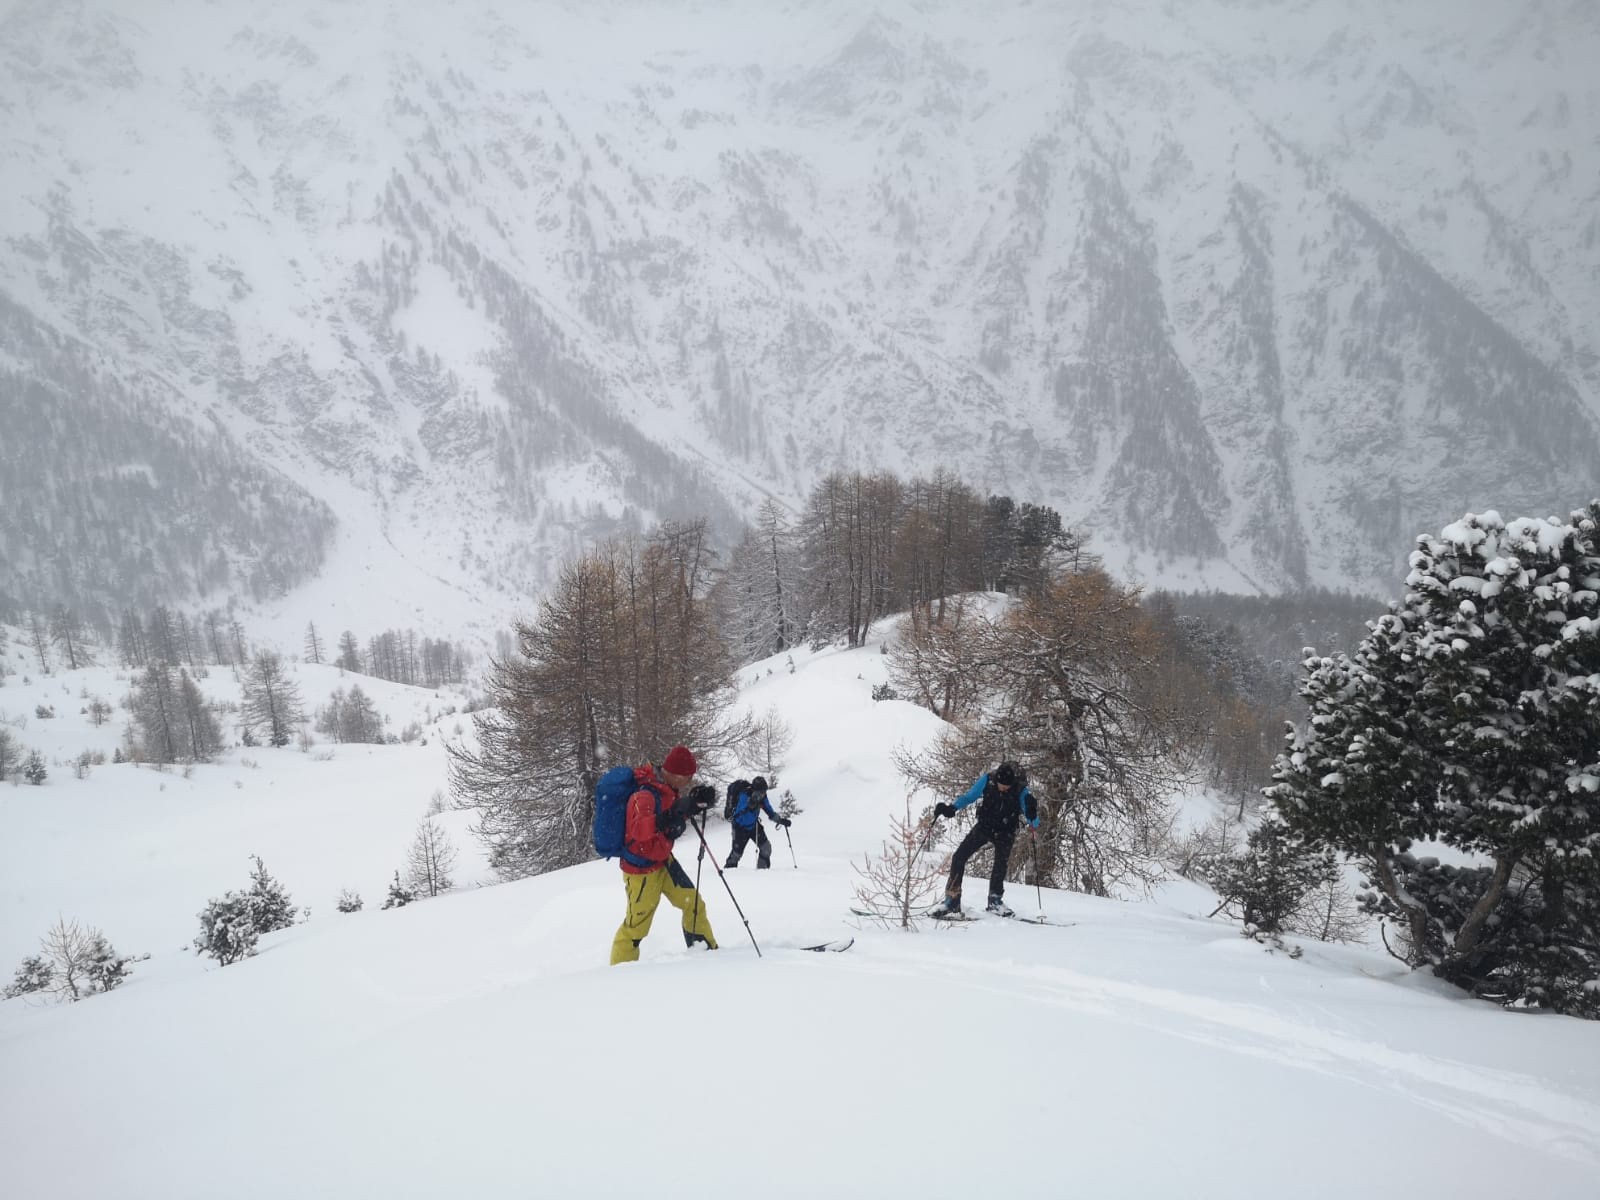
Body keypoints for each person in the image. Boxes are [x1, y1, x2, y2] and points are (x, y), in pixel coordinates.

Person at [609, 744, 720, 965]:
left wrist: (694, 805)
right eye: (687, 777)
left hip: (663, 862)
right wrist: (670, 816)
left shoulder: (666, 788)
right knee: (636, 928)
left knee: (693, 904)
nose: (689, 782)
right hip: (641, 871)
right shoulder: (645, 794)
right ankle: (619, 975)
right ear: (675, 774)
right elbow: (640, 830)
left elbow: (672, 817)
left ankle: (706, 954)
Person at [932, 761, 1038, 918]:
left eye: (1006, 786)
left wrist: (1032, 813)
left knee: (1000, 865)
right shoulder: (988, 780)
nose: (1002, 788)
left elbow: (1034, 821)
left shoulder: (1020, 790)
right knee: (959, 857)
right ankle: (952, 900)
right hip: (985, 826)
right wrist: (952, 808)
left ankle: (995, 901)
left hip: (1006, 830)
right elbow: (969, 796)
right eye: (1000, 785)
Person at [724, 775, 790, 869]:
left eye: (764, 791)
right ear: (755, 789)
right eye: (761, 791)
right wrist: (749, 806)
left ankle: (762, 873)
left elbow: (769, 811)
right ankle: (729, 873)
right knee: (736, 854)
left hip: (754, 826)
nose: (763, 794)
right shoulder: (744, 794)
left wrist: (780, 820)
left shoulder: (763, 797)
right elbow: (737, 815)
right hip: (739, 828)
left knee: (766, 848)